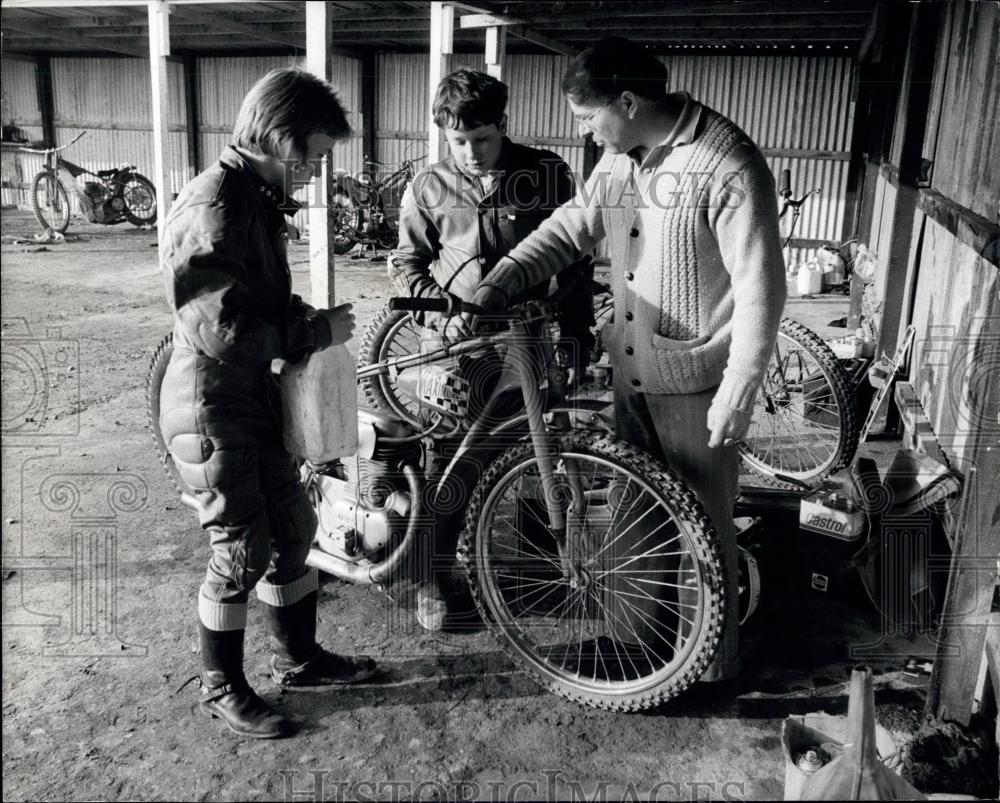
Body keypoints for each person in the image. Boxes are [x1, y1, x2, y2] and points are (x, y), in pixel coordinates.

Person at [472, 38, 786, 681]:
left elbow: (761, 288)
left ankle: (708, 671)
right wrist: (504, 276)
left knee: (702, 527)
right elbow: (573, 226)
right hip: (631, 371)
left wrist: (739, 389)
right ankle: (637, 646)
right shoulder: (620, 161)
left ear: (628, 101)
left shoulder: (726, 163)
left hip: (696, 385)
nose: (583, 131)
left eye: (588, 117)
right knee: (636, 513)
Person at [160, 68, 377, 740]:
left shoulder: (252, 199)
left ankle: (300, 658)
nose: (314, 172)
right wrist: (312, 333)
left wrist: (307, 318)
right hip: (210, 404)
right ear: (281, 139)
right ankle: (221, 684)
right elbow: (219, 331)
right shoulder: (216, 205)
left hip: (253, 397)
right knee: (241, 548)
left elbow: (255, 300)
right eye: (312, 155)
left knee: (293, 528)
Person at [389, 69, 592, 631]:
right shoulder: (429, 186)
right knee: (452, 460)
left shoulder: (545, 174)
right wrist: (443, 312)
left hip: (529, 338)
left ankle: (540, 569)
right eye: (458, 141)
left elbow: (574, 262)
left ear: (503, 123)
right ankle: (430, 578)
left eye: (481, 138)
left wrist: (578, 333)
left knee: (537, 448)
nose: (471, 153)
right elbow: (406, 266)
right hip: (457, 349)